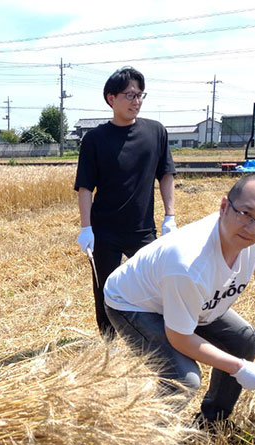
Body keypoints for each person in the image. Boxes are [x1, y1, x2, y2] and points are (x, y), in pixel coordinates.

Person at [102, 174, 255, 426]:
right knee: (183, 377)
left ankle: (212, 421)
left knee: (244, 340)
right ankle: (144, 439)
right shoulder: (189, 263)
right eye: (245, 214)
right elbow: (179, 337)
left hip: (185, 299)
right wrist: (239, 368)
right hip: (134, 303)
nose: (252, 228)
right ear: (223, 207)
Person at [74, 66, 177, 339]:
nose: (136, 101)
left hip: (142, 230)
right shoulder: (95, 139)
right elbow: (85, 186)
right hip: (104, 232)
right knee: (104, 288)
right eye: (129, 95)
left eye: (140, 95)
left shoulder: (156, 132)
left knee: (155, 284)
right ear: (111, 99)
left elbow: (166, 174)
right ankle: (109, 341)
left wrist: (170, 216)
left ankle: (158, 336)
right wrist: (86, 228)